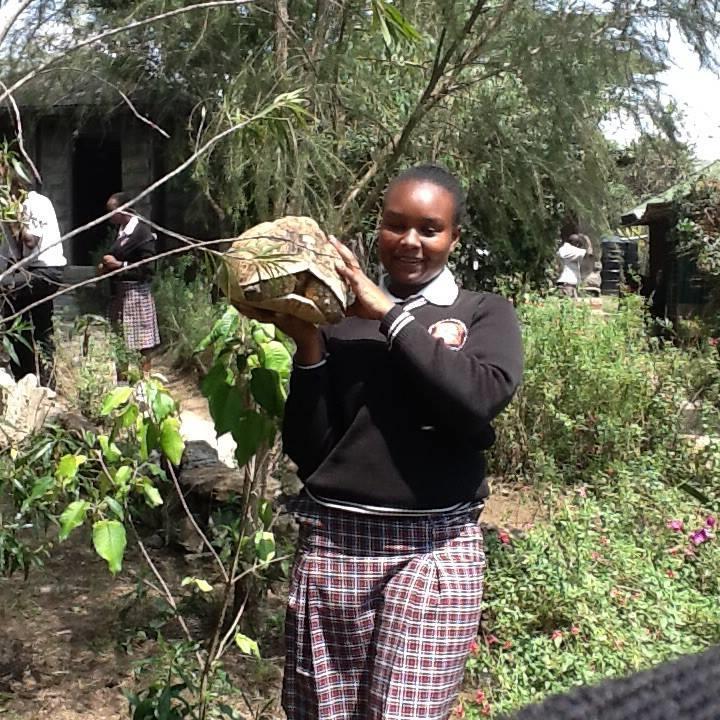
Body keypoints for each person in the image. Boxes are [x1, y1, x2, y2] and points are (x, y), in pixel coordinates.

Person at [252, 165, 523, 720]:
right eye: (396, 225)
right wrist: (307, 342)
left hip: (434, 547)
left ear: (454, 237)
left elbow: (479, 396)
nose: (410, 242)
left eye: (430, 228)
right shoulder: (337, 320)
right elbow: (312, 448)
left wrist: (387, 315)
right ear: (378, 229)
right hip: (335, 545)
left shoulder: (481, 312)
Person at [0, 164, 66, 383]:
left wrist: (13, 218)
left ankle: (28, 376)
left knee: (8, 300)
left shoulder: (34, 203)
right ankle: (40, 380)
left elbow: (30, 240)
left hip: (45, 271)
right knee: (39, 325)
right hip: (32, 270)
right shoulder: (17, 207)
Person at [98, 192, 159, 375]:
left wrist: (120, 266)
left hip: (136, 295)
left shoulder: (141, 233)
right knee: (121, 342)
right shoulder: (122, 232)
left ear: (125, 209)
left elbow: (148, 268)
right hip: (121, 295)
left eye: (112, 211)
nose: (109, 216)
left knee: (142, 343)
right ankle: (122, 387)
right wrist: (106, 268)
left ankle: (144, 385)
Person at [557, 233, 593, 298]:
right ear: (575, 243)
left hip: (562, 282)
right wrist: (587, 240)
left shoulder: (561, 249)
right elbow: (589, 253)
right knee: (570, 305)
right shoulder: (573, 250)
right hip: (569, 284)